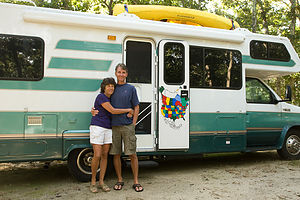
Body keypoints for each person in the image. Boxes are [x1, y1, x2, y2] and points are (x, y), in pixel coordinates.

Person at [92, 63, 144, 192]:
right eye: (119, 72)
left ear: (126, 74)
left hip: (127, 126)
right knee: (116, 154)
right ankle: (120, 179)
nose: (121, 74)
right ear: (115, 73)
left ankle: (136, 181)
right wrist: (93, 110)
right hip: (113, 127)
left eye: (123, 72)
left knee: (132, 154)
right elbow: (104, 105)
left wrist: (134, 122)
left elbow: (136, 107)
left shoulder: (131, 88)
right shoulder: (112, 89)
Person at [89, 77, 133, 193]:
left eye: (112, 86)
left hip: (108, 128)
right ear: (104, 87)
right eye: (108, 86)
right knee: (97, 155)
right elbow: (112, 111)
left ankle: (101, 182)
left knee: (105, 155)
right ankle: (93, 182)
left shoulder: (111, 98)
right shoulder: (101, 97)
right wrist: (128, 109)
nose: (110, 87)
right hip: (97, 127)